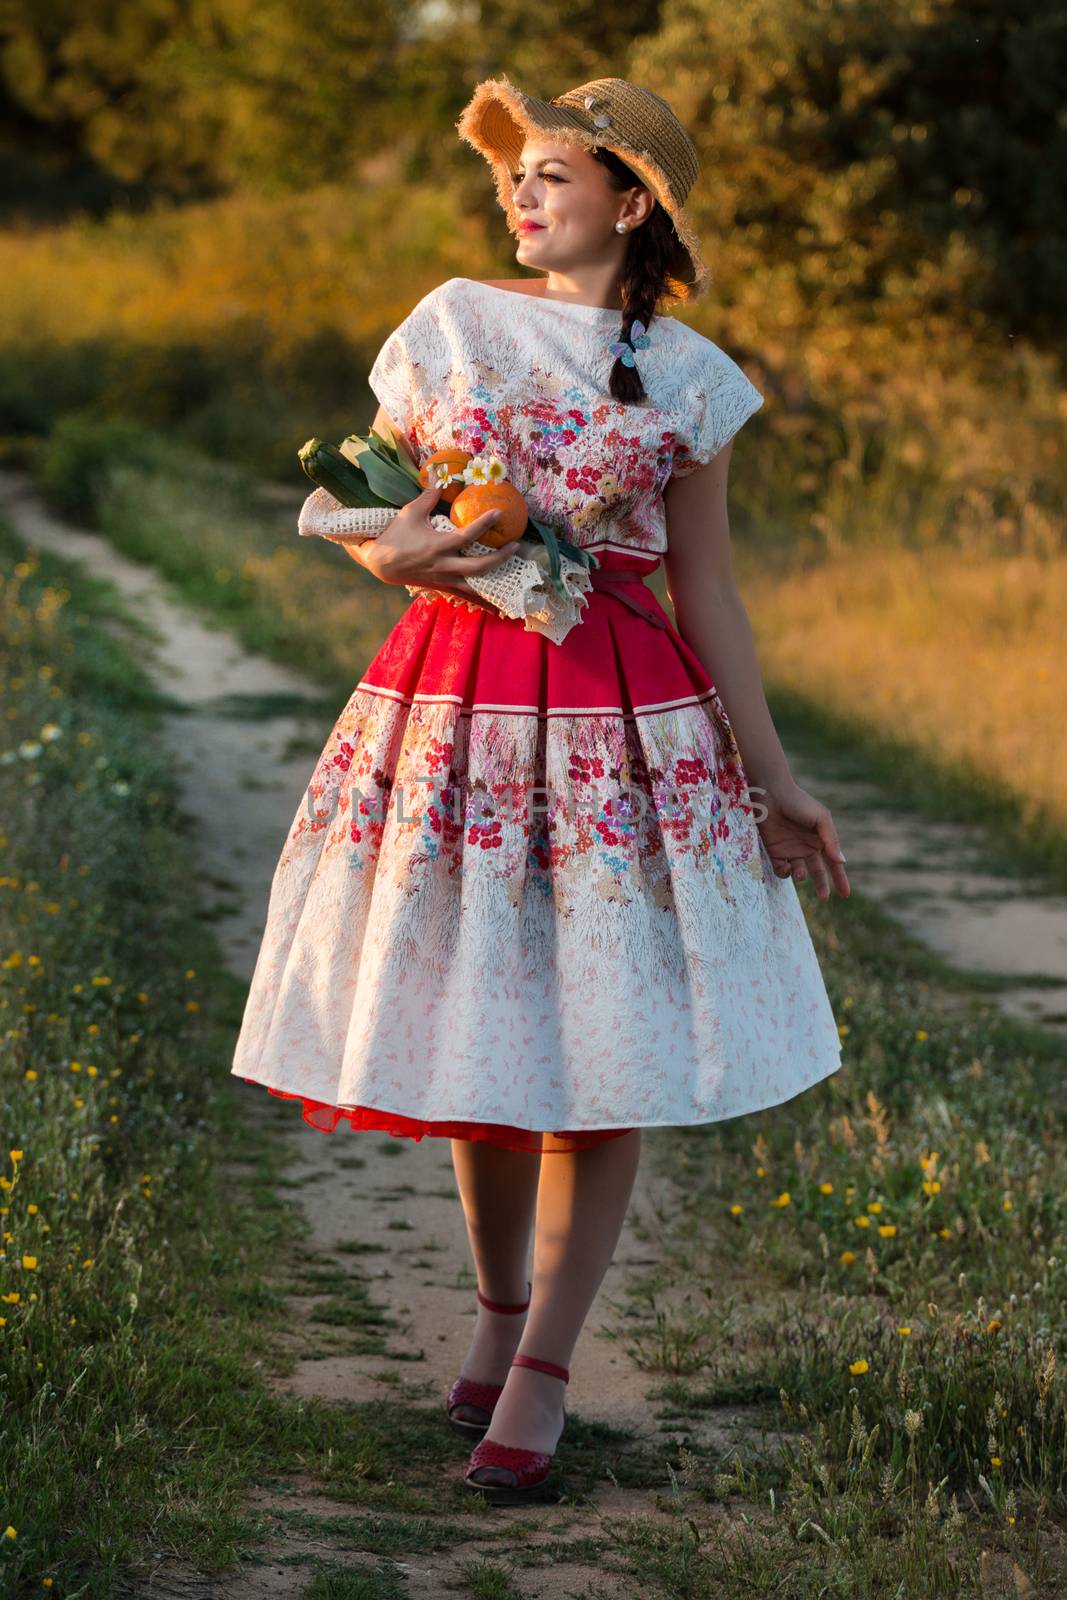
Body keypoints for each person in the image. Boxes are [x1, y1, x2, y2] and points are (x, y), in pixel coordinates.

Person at [230, 74, 851, 1504]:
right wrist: (388, 550)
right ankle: (501, 1311)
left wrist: (775, 776)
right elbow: (389, 505)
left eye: (555, 176)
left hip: (626, 728)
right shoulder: (450, 321)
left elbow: (711, 594)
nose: (522, 195)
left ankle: (549, 1368)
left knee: (600, 1032)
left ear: (632, 204)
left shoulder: (690, 378)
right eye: (516, 176)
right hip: (451, 704)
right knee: (477, 1022)